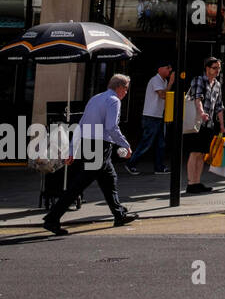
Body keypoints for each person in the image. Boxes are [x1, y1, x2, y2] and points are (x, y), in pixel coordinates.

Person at [43, 74, 139, 234]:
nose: (126, 93)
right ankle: (52, 218)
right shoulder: (114, 100)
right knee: (79, 185)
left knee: (109, 179)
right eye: (126, 89)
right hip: (100, 146)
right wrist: (126, 145)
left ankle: (119, 214)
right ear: (120, 87)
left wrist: (73, 149)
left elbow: (81, 125)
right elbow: (111, 127)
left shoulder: (95, 98)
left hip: (90, 144)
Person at [184, 57, 225, 194]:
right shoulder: (199, 80)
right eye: (215, 67)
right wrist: (201, 113)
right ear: (207, 68)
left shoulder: (217, 84)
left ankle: (197, 182)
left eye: (219, 68)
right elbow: (197, 98)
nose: (217, 70)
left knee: (202, 153)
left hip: (209, 123)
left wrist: (222, 124)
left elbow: (219, 105)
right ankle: (191, 183)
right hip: (197, 122)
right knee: (194, 152)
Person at [125, 61, 172, 175]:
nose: (169, 70)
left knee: (161, 143)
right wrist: (171, 83)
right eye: (168, 67)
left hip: (158, 115)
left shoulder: (163, 81)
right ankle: (131, 163)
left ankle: (159, 167)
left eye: (170, 68)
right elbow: (162, 95)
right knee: (147, 142)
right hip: (151, 116)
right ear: (160, 69)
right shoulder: (155, 80)